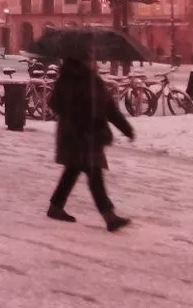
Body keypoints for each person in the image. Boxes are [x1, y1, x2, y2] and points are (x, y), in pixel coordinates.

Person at [47, 54, 134, 231]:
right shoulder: (71, 80)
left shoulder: (91, 81)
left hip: (88, 134)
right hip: (80, 135)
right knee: (94, 174)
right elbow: (54, 103)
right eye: (91, 60)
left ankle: (55, 206)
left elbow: (109, 107)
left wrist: (126, 128)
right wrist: (76, 113)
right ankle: (109, 216)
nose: (95, 63)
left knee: (73, 170)